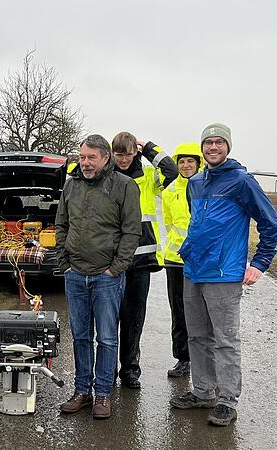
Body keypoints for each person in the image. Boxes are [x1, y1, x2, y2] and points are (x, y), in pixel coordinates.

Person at [169, 123, 277, 426]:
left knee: (225, 340)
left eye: (219, 142)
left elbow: (271, 223)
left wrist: (259, 263)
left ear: (227, 147)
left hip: (223, 273)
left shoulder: (241, 181)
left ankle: (227, 400)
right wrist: (189, 250)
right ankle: (203, 391)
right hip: (193, 270)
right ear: (202, 148)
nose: (213, 148)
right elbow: (198, 222)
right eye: (208, 143)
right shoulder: (197, 182)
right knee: (197, 336)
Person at [56, 134, 141, 419]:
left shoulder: (125, 186)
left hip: (107, 277)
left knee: (106, 338)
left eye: (92, 157)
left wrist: (116, 268)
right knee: (80, 336)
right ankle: (83, 391)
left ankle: (103, 394)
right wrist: (64, 262)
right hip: (75, 274)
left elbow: (132, 232)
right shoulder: (70, 186)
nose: (86, 163)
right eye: (82, 157)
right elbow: (61, 225)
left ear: (106, 158)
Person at [110, 132, 178, 389]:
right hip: (111, 260)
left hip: (141, 261)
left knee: (133, 318)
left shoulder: (149, 178)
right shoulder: (107, 177)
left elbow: (171, 173)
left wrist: (150, 147)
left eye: (128, 153)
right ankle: (108, 370)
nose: (124, 159)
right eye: (119, 154)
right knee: (108, 320)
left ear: (135, 153)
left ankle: (130, 370)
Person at [161, 143, 204, 378]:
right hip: (176, 260)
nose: (186, 165)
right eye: (182, 161)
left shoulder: (207, 188)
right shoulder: (170, 192)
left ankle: (206, 360)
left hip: (202, 260)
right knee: (179, 311)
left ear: (199, 163)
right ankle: (183, 358)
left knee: (203, 312)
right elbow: (169, 224)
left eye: (191, 161)